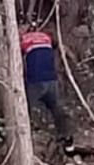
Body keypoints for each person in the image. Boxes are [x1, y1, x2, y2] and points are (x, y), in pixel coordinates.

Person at [20, 22, 73, 155]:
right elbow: (55, 44)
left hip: (35, 82)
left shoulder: (24, 40)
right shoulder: (47, 38)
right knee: (58, 109)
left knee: (25, 110)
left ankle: (26, 141)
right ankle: (67, 141)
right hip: (51, 80)